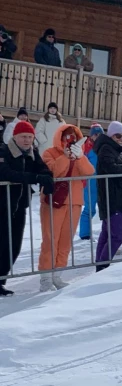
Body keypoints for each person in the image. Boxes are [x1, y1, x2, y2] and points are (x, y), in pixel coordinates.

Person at [0, 121, 53, 296]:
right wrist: (34, 177)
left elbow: (42, 168)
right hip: (2, 204)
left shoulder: (32, 153)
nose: (27, 140)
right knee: (2, 244)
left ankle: (1, 279)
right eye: (24, 136)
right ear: (15, 136)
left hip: (20, 205)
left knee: (14, 246)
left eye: (30, 137)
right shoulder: (4, 151)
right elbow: (5, 173)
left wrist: (46, 177)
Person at [39, 124, 95, 291]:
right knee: (51, 239)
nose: (69, 141)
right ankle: (46, 277)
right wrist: (64, 157)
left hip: (74, 202)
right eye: (66, 137)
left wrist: (80, 157)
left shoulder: (79, 154)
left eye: (73, 138)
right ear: (60, 137)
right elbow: (54, 172)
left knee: (65, 240)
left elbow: (89, 171)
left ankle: (58, 274)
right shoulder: (49, 153)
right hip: (53, 202)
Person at [94, 121, 122, 272]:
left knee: (107, 233)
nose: (121, 139)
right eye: (118, 136)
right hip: (112, 198)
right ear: (110, 135)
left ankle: (100, 265)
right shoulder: (107, 149)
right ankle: (102, 265)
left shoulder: (116, 149)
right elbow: (112, 169)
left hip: (115, 197)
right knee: (117, 235)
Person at [78, 123, 104, 240]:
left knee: (105, 207)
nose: (98, 136)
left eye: (100, 134)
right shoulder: (86, 147)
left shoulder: (105, 146)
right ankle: (85, 233)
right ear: (91, 136)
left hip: (103, 181)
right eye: (95, 134)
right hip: (90, 182)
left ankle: (107, 232)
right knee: (90, 208)